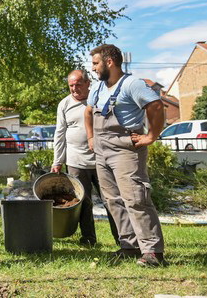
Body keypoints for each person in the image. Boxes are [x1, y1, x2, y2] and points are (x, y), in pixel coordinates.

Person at [84, 44, 166, 267]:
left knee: (136, 198)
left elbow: (156, 107)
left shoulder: (132, 84)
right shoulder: (98, 88)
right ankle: (129, 246)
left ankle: (153, 251)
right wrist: (91, 138)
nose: (92, 68)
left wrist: (151, 136)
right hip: (101, 150)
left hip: (125, 149)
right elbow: (89, 111)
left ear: (109, 62)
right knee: (112, 200)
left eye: (95, 63)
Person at [51, 70, 119, 247]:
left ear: (88, 83)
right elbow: (59, 134)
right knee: (83, 202)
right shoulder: (64, 104)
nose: (74, 88)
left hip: (101, 160)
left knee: (111, 200)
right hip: (76, 162)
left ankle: (123, 240)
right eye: (71, 85)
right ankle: (88, 238)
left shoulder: (99, 99)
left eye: (78, 84)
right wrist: (57, 161)